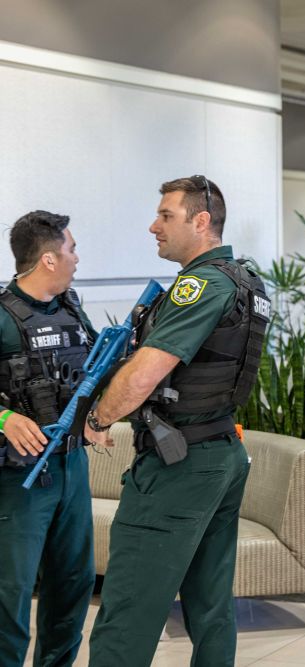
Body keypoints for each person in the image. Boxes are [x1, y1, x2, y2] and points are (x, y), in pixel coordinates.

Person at [86, 176, 270, 666]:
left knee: (129, 607)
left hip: (179, 465)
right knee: (210, 607)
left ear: (201, 221)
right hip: (219, 451)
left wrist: (100, 416)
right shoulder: (244, 278)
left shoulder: (202, 283)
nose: (154, 226)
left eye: (166, 216)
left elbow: (147, 371)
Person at [0, 211, 97, 667]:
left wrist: (95, 416)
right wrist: (2, 417)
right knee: (10, 590)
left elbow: (94, 370)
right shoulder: (2, 316)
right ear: (48, 259)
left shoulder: (72, 307)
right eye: (71, 249)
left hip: (72, 467)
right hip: (17, 480)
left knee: (73, 583)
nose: (77, 257)